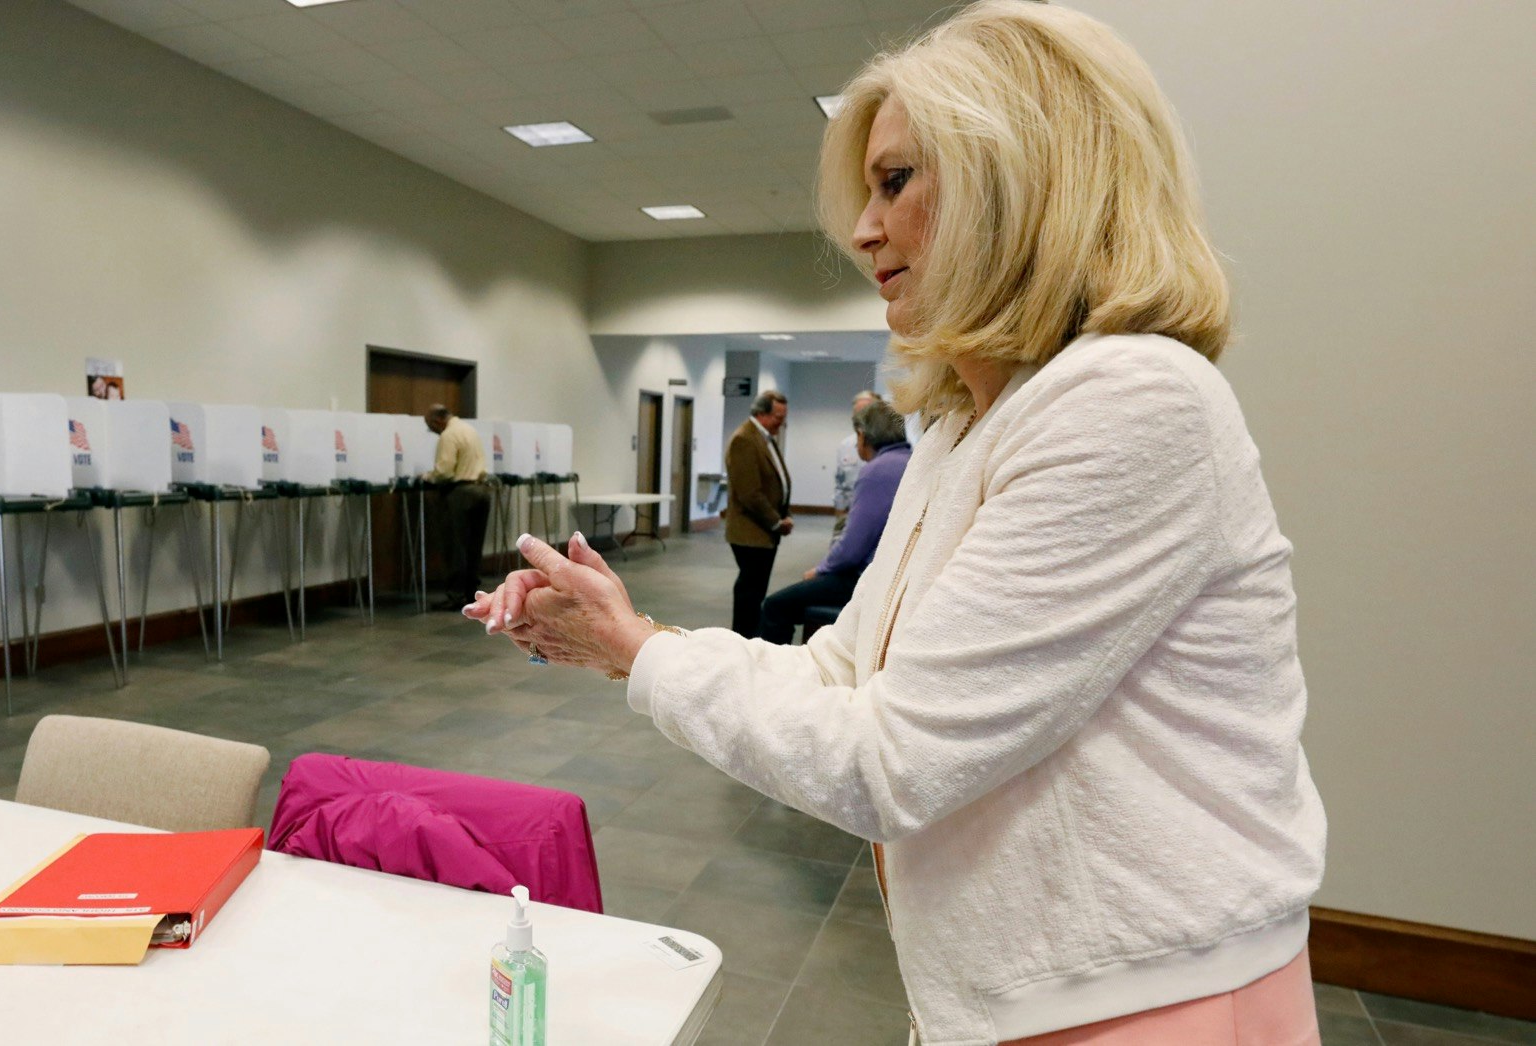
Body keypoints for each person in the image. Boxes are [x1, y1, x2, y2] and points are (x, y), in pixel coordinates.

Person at [464, 4, 1326, 1044]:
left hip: (1142, 999)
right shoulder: (965, 426)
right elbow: (843, 673)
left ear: (1023, 181)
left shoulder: (1131, 401)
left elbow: (892, 758)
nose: (864, 229)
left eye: (896, 181)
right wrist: (630, 637)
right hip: (1008, 992)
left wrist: (638, 652)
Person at [761, 400, 910, 644]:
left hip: (866, 577)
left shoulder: (877, 471)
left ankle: (774, 675)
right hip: (894, 574)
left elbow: (852, 547)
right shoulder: (909, 460)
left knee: (775, 606)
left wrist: (820, 570)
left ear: (862, 436)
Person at [722, 390, 791, 638]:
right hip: (750, 532)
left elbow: (776, 481)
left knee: (756, 589)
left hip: (765, 531)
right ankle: (742, 637)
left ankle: (749, 635)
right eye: (777, 416)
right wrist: (776, 522)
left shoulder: (764, 437)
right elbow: (749, 493)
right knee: (750, 591)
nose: (781, 422)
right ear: (761, 413)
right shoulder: (744, 439)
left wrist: (785, 513)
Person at [422, 405, 488, 610]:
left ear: (438, 420)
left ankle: (455, 596)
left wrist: (426, 477)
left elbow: (444, 470)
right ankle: (471, 592)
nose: (432, 430)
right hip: (482, 491)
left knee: (455, 545)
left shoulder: (449, 435)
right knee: (474, 546)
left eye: (430, 425)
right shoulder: (469, 430)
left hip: (461, 493)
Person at [829, 389, 880, 542]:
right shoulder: (846, 446)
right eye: (857, 414)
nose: (860, 419)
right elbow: (840, 482)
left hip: (877, 517)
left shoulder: (886, 444)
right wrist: (840, 515)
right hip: (849, 515)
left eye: (865, 413)